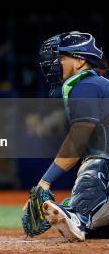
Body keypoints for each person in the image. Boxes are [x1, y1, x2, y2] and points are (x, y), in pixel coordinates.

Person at [23, 32, 109, 241]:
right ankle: (89, 214)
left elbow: (78, 138)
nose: (55, 62)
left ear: (80, 61)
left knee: (94, 164)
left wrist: (45, 182)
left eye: (61, 57)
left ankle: (80, 215)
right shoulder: (96, 84)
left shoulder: (85, 85)